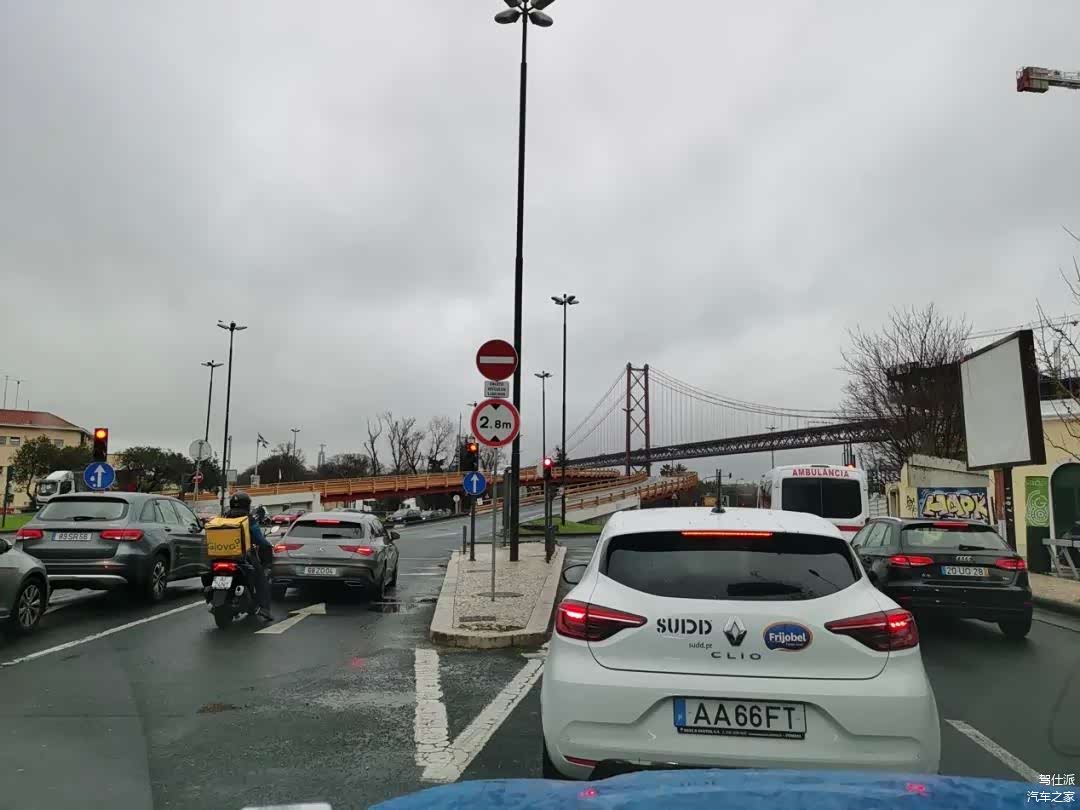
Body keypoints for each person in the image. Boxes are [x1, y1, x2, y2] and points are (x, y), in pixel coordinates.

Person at [226, 491, 273, 621]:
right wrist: (267, 546)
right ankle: (264, 608)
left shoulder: (224, 516)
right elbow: (259, 538)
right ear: (247, 504)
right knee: (261, 578)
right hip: (242, 556)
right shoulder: (248, 519)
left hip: (222, 555)